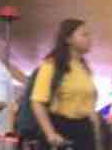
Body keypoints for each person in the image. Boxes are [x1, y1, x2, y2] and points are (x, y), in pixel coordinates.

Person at [30, 19, 100, 150]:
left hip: (84, 130)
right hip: (61, 129)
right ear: (68, 39)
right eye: (84, 35)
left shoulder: (84, 68)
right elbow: (37, 101)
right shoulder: (52, 64)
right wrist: (50, 134)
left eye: (89, 35)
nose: (90, 39)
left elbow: (89, 106)